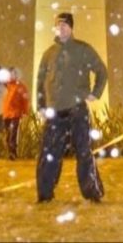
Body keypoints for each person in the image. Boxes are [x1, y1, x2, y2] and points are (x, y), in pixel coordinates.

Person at [36, 12, 108, 203]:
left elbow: (101, 71)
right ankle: (44, 194)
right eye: (58, 25)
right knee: (49, 154)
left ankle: (92, 193)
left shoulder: (83, 49)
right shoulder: (48, 54)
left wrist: (95, 92)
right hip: (54, 112)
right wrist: (41, 105)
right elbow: (40, 81)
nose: (62, 28)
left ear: (71, 27)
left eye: (65, 25)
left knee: (84, 152)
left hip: (77, 109)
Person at [1, 67, 30, 161]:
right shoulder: (6, 85)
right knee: (8, 134)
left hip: (15, 113)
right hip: (5, 113)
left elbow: (25, 100)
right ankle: (10, 152)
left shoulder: (20, 86)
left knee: (13, 134)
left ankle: (12, 153)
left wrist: (25, 111)